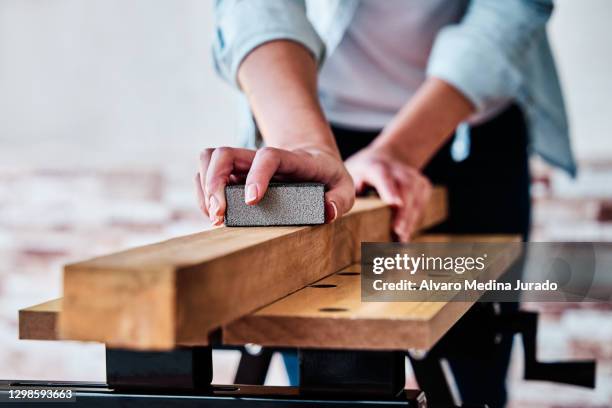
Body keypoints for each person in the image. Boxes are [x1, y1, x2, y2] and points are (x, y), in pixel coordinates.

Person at [196, 1, 576, 406]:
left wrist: (397, 153)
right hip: (321, 123)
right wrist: (303, 144)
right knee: (325, 387)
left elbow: (511, 10)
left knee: (476, 376)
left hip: (469, 124)